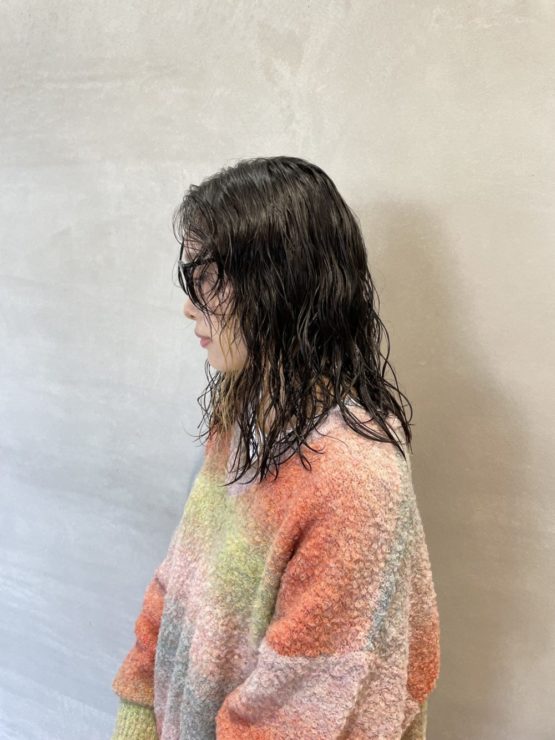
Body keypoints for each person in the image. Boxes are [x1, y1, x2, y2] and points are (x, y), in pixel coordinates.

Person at [110, 155, 440, 739]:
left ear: (279, 285)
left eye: (210, 278)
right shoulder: (241, 421)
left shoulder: (356, 477)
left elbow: (310, 705)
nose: (189, 305)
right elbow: (178, 583)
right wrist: (137, 714)